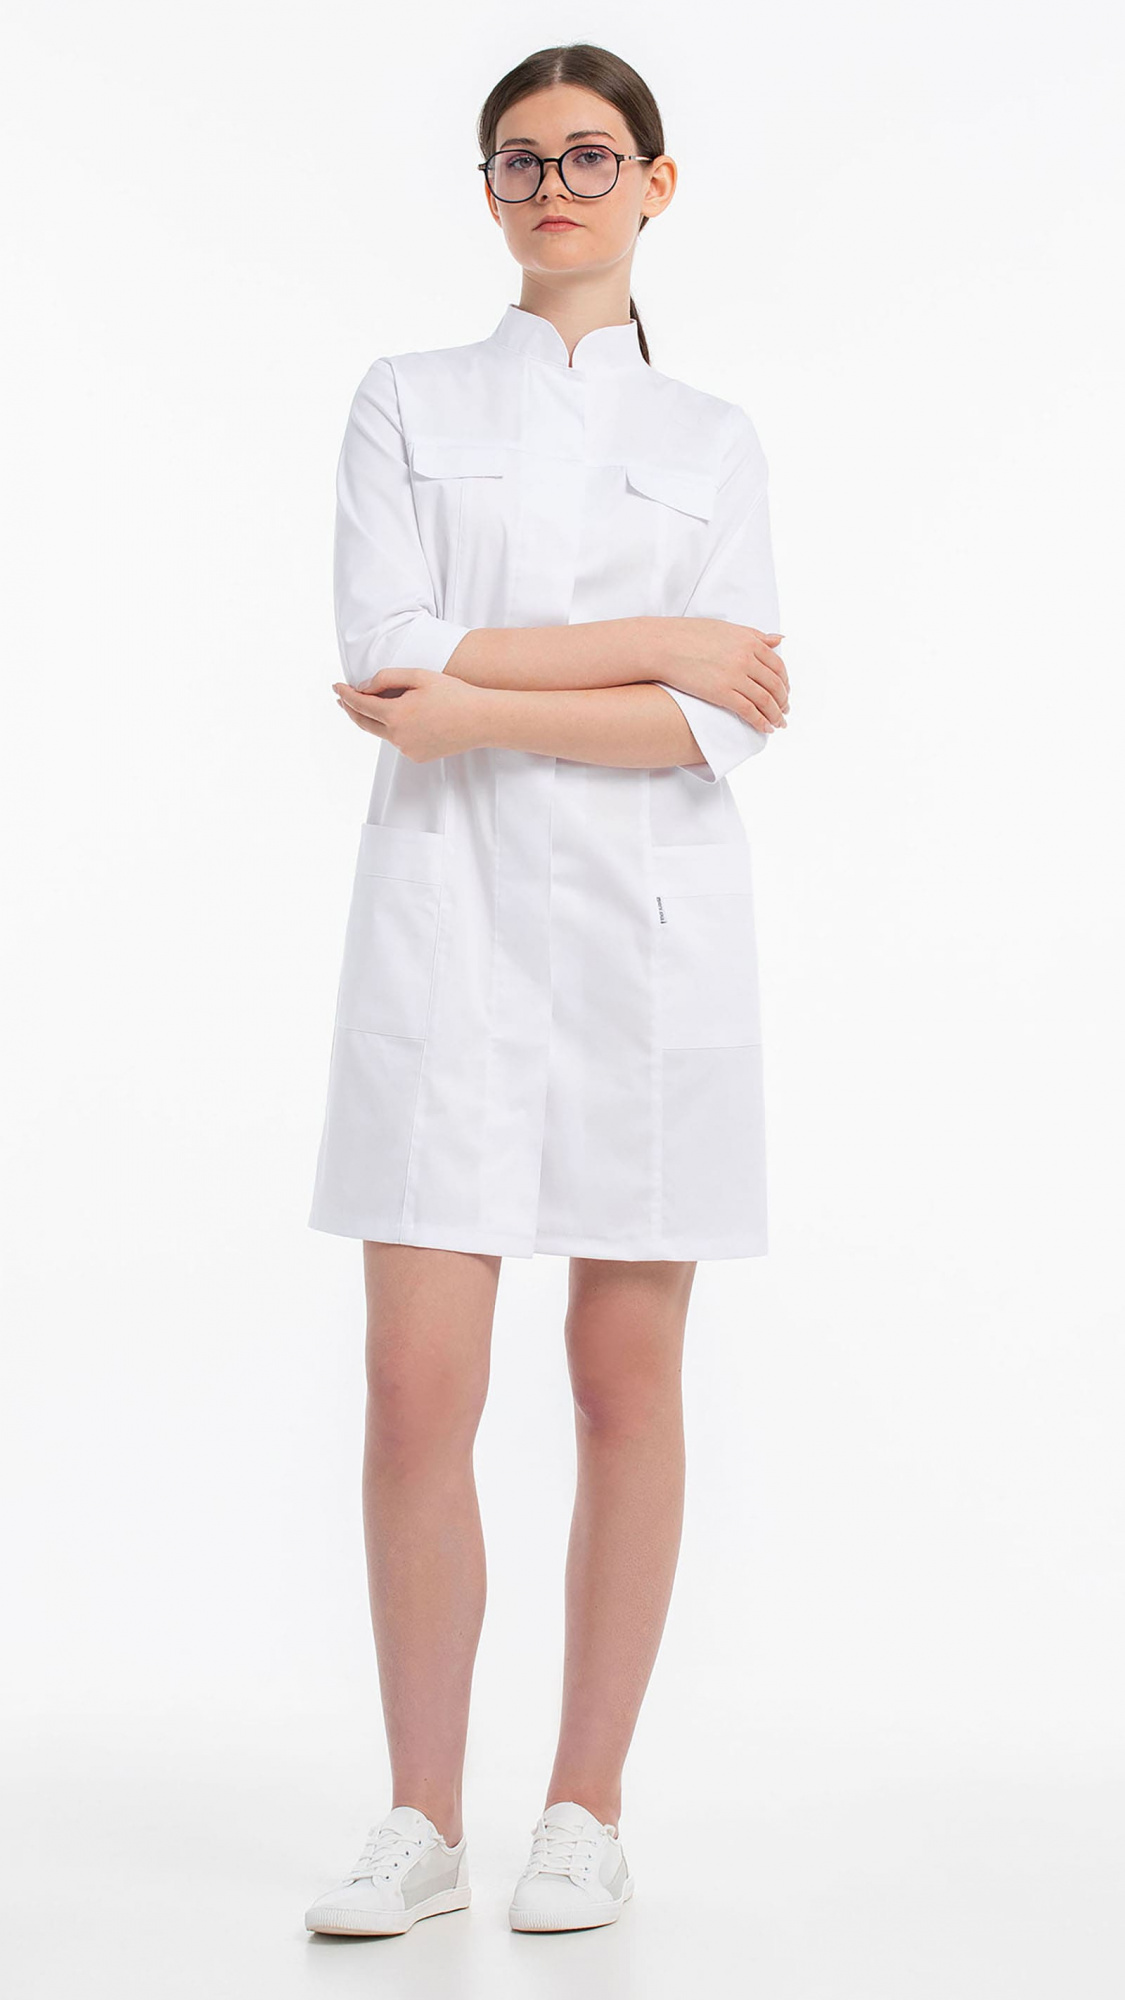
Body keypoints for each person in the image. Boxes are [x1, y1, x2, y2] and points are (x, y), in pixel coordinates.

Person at [303, 41, 790, 1940]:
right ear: (487, 193)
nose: (554, 187)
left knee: (620, 1378)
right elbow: (380, 651)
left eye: (591, 157)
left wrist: (480, 701)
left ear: (655, 184)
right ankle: (420, 1818)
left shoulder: (714, 440)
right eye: (519, 161)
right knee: (412, 1387)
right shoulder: (405, 399)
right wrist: (652, 645)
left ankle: (584, 1808)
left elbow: (715, 724)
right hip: (444, 931)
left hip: (645, 949)